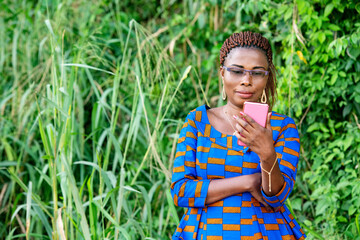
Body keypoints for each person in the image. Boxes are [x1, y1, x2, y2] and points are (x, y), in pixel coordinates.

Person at [170, 31, 306, 240]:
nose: (246, 80)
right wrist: (248, 182)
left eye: (257, 72)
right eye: (236, 71)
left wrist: (268, 154)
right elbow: (181, 191)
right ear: (222, 73)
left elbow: (275, 199)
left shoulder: (281, 128)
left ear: (267, 77)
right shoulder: (197, 122)